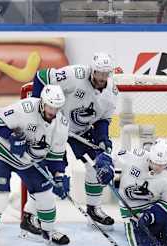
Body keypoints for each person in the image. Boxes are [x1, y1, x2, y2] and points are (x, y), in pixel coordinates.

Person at [21, 52, 118, 236]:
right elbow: (41, 77)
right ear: (92, 69)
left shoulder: (111, 92)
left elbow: (103, 120)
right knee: (49, 173)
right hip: (55, 128)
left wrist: (103, 140)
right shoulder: (75, 75)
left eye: (106, 74)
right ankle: (29, 216)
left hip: (80, 131)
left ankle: (93, 210)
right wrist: (37, 115)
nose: (102, 77)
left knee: (97, 165)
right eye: (99, 72)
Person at [0, 85, 70, 246]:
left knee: (46, 195)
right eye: (50, 106)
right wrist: (11, 137)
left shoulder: (61, 125)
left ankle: (48, 231)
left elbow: (56, 157)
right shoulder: (25, 109)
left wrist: (58, 176)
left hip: (29, 162)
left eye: (56, 108)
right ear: (42, 103)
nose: (52, 111)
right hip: (1, 156)